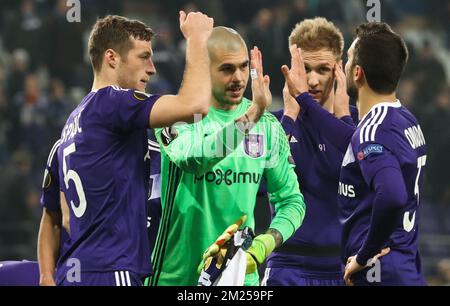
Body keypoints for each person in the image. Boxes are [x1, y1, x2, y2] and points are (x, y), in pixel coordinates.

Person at [55, 12, 214, 286]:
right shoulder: (112, 102)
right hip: (112, 269)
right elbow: (197, 106)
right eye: (143, 57)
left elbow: (65, 216)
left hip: (77, 271)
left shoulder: (74, 120)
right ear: (112, 57)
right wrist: (197, 39)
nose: (152, 68)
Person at [149, 27, 306, 286]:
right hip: (177, 279)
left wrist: (266, 243)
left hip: (239, 281)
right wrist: (252, 116)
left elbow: (292, 201)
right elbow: (195, 159)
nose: (239, 77)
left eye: (244, 67)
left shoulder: (267, 126)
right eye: (227, 69)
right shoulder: (177, 114)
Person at [282, 22, 427, 286]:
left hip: (380, 269)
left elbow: (392, 194)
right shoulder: (406, 120)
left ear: (357, 73)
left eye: (347, 60)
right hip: (405, 264)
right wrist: (305, 103)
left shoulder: (371, 130)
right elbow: (354, 143)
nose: (345, 66)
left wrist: (364, 254)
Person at [263, 17, 358, 286]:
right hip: (286, 264)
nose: (313, 81)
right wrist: (289, 121)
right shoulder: (277, 124)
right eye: (305, 69)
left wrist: (341, 119)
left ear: (339, 69)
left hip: (343, 267)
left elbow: (364, 180)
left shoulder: (359, 125)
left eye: (323, 69)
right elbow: (258, 185)